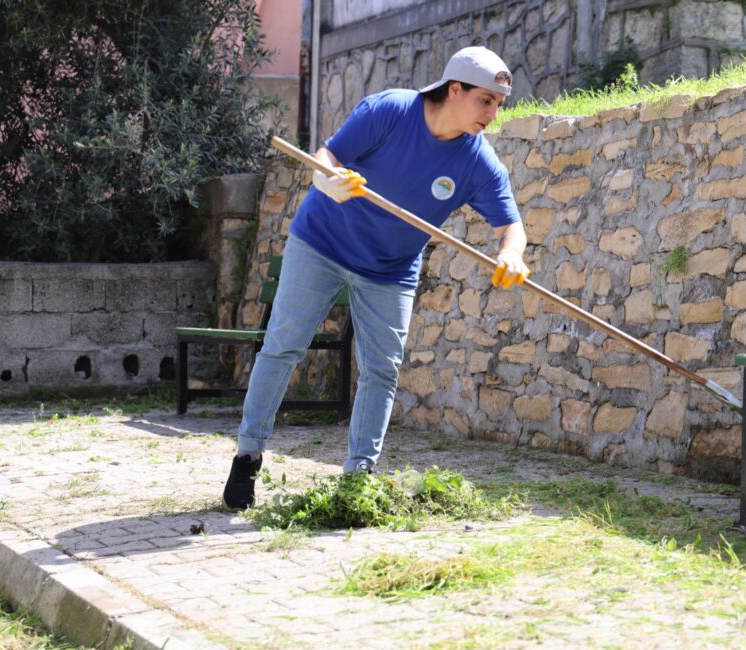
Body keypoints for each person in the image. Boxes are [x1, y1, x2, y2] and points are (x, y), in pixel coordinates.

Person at [223, 46, 530, 509]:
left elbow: (512, 226)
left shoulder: (477, 162)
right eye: (486, 100)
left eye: (499, 104)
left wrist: (512, 255)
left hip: (390, 269)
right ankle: (248, 455)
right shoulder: (390, 110)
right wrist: (327, 180)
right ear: (454, 89)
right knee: (283, 345)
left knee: (382, 369)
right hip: (322, 242)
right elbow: (328, 155)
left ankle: (357, 480)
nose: (493, 113)